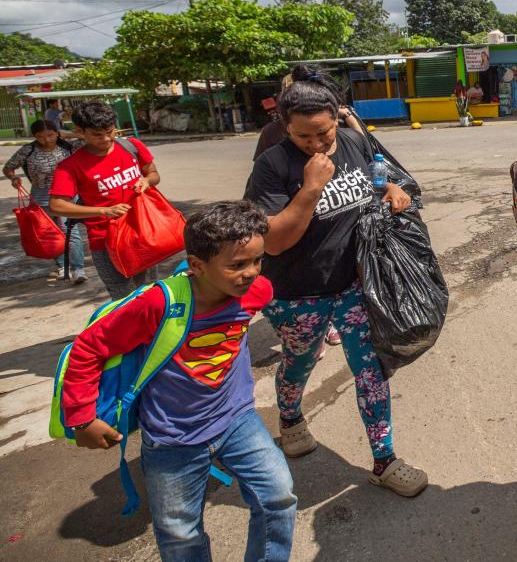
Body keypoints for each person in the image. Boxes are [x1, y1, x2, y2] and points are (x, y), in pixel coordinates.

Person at [60, 200, 297, 561]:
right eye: (237, 265)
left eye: (257, 261)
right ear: (197, 265)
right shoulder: (158, 304)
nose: (251, 274)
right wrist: (81, 417)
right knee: (180, 533)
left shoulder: (256, 292)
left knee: (278, 497)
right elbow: (88, 347)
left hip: (237, 421)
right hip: (173, 438)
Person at [244, 68, 425, 497]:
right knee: (299, 361)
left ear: (335, 117)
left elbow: (374, 179)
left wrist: (391, 189)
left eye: (324, 133)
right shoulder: (272, 166)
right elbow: (273, 242)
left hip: (354, 284)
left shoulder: (353, 140)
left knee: (371, 369)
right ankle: (289, 417)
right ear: (285, 126)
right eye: (305, 136)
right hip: (298, 294)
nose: (318, 143)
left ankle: (385, 460)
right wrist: (309, 189)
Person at [49, 101, 163, 300]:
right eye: (97, 135)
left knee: (151, 294)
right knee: (123, 299)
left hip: (142, 233)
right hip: (106, 241)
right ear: (80, 131)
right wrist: (103, 211)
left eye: (110, 132)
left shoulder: (131, 146)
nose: (106, 139)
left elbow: (153, 174)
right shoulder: (70, 166)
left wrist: (146, 181)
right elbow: (57, 205)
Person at [4, 120, 87, 282]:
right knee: (50, 233)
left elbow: (87, 138)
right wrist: (13, 178)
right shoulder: (28, 150)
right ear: (34, 137)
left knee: (70, 231)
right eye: (40, 137)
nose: (47, 140)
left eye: (50, 135)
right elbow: (8, 167)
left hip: (67, 195)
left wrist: (69, 134)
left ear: (57, 133)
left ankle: (78, 269)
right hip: (41, 198)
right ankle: (63, 266)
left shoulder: (69, 146)